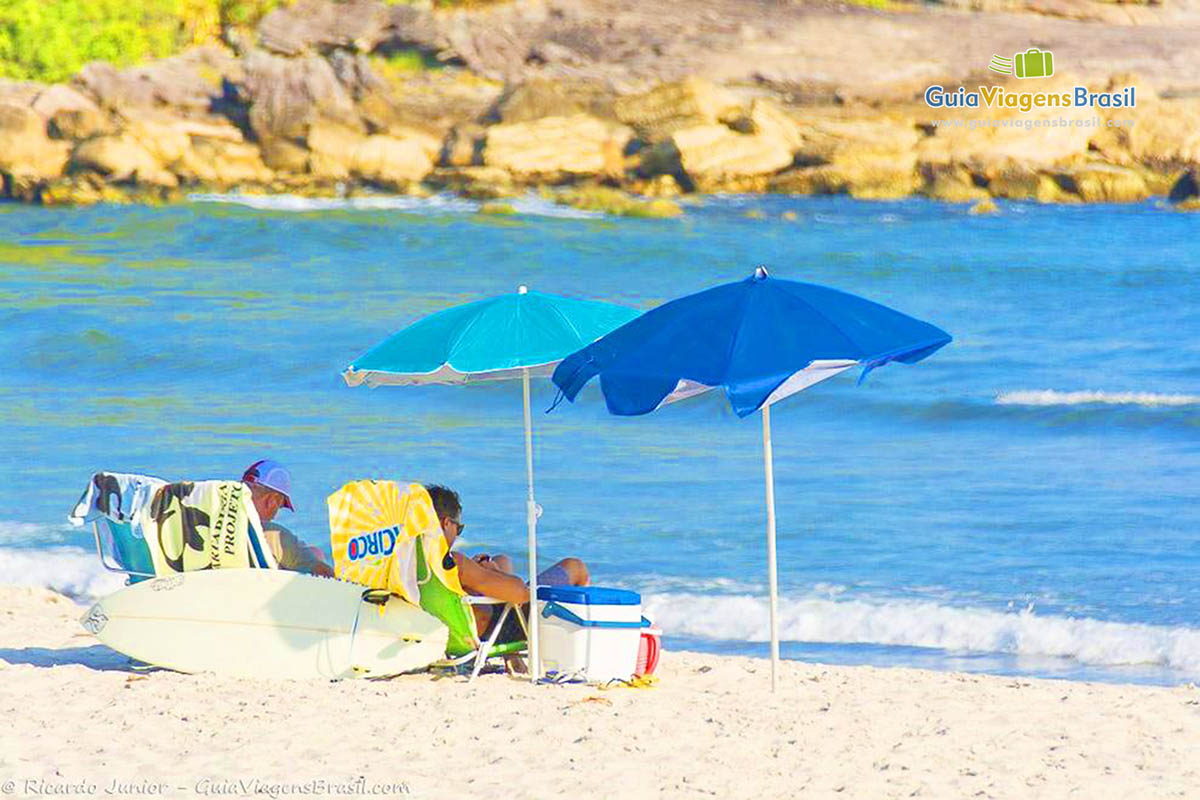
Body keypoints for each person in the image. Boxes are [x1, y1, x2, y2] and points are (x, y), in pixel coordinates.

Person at [426, 484, 589, 640]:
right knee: (575, 567)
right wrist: (495, 572)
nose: (458, 534)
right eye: (458, 529)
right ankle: (580, 638)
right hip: (497, 629)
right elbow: (522, 594)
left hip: (446, 629)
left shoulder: (412, 561)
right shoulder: (455, 563)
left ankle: (512, 659)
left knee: (502, 560)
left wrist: (483, 572)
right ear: (446, 523)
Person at [242, 459, 334, 578]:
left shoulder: (214, 522)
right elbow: (324, 574)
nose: (275, 515)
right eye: (280, 506)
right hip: (259, 590)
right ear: (272, 500)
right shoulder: (270, 534)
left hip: (220, 583)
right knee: (316, 553)